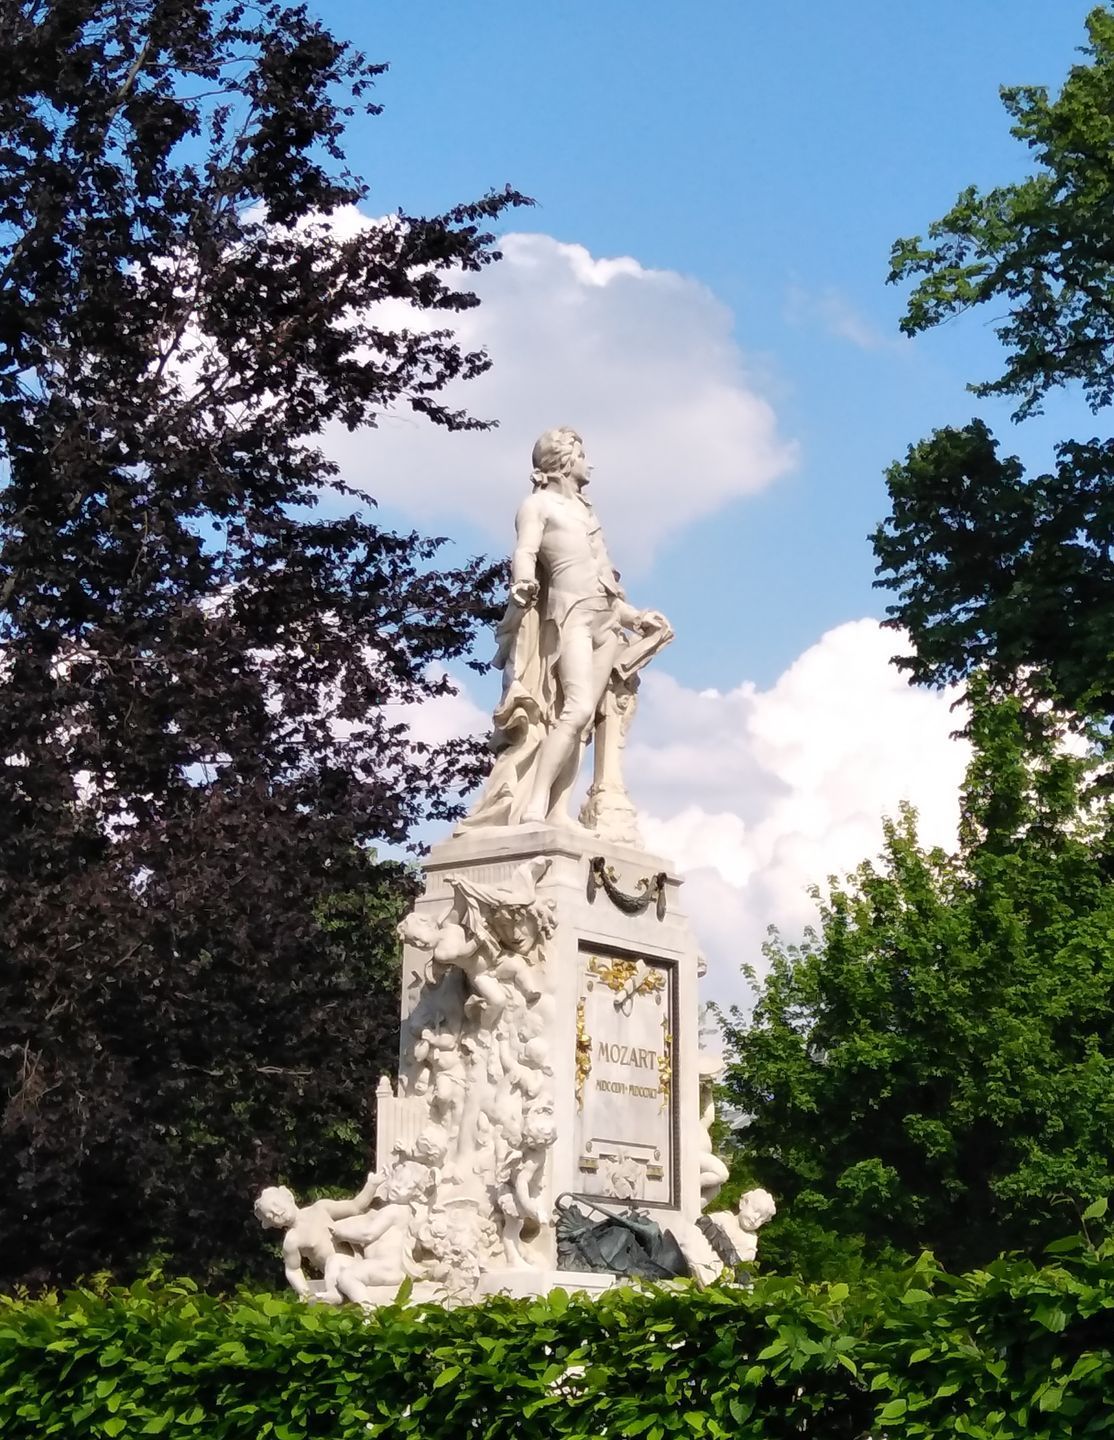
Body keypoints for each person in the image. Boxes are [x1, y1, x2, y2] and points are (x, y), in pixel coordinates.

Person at [460, 428, 670, 830]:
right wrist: (523, 582)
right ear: (563, 460)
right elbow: (525, 551)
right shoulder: (537, 505)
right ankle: (535, 804)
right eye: (582, 455)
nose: (589, 463)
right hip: (569, 616)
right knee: (575, 710)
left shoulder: (588, 513)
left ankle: (557, 810)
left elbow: (604, 582)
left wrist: (635, 617)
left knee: (584, 721)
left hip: (606, 620)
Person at [253, 1171, 380, 1298]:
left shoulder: (320, 1208)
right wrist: (306, 1294)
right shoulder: (292, 1239)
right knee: (334, 1261)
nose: (276, 1212)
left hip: (357, 1262)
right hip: (336, 1277)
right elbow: (293, 1270)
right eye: (271, 1215)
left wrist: (372, 1185)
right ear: (274, 1224)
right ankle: (334, 1294)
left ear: (289, 1196)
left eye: (276, 1204)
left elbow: (355, 1206)